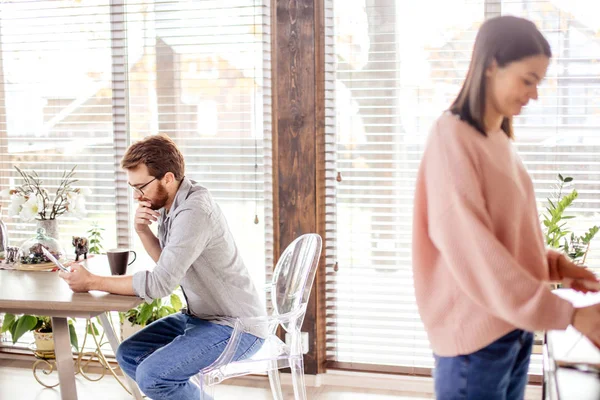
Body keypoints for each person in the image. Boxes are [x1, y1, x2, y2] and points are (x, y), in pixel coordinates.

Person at [412, 16, 600, 400]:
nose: (533, 95)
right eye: (528, 80)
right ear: (492, 65)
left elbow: (502, 237)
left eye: (539, 83)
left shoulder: (498, 140)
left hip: (510, 330)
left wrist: (554, 265)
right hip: (475, 342)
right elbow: (472, 250)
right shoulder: (451, 137)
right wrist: (571, 314)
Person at [59, 134, 266, 399]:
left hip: (235, 326)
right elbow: (169, 265)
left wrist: (92, 282)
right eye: (133, 188)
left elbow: (160, 284)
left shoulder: (194, 212)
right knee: (129, 354)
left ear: (168, 178)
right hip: (200, 317)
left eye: (141, 187)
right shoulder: (173, 203)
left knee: (153, 376)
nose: (136, 196)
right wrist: (142, 229)